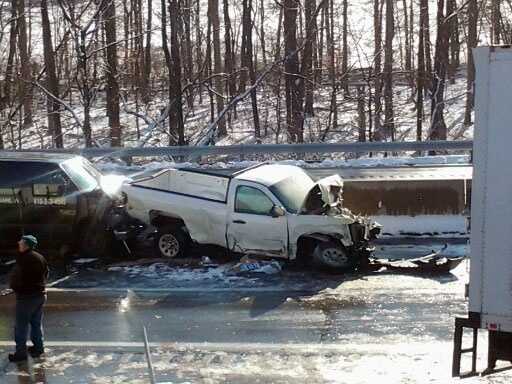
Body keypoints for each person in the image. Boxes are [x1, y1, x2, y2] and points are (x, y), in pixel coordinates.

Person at [8, 235, 49, 362]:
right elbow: (47, 273)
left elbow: (16, 277)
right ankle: (38, 348)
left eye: (21, 241)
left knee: (21, 326)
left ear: (26, 245)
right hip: (41, 295)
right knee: (36, 324)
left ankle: (21, 354)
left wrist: (15, 288)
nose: (18, 242)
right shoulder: (40, 257)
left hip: (26, 297)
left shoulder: (23, 259)